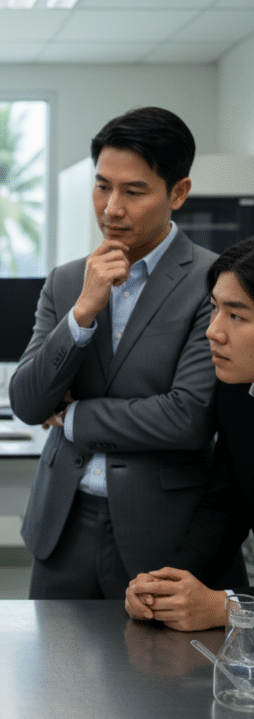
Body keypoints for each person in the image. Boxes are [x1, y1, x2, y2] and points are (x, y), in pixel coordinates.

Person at [9, 106, 237, 599]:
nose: (112, 208)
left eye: (134, 192)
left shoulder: (213, 282)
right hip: (62, 524)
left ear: (178, 193)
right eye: (102, 186)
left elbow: (187, 416)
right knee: (54, 674)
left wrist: (72, 418)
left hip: (161, 532)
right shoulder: (68, 280)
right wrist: (83, 312)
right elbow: (27, 403)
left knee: (155, 674)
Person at [126, 237, 254, 630]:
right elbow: (226, 504)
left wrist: (225, 608)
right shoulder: (236, 392)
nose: (212, 332)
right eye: (214, 310)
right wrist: (166, 586)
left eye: (236, 316)